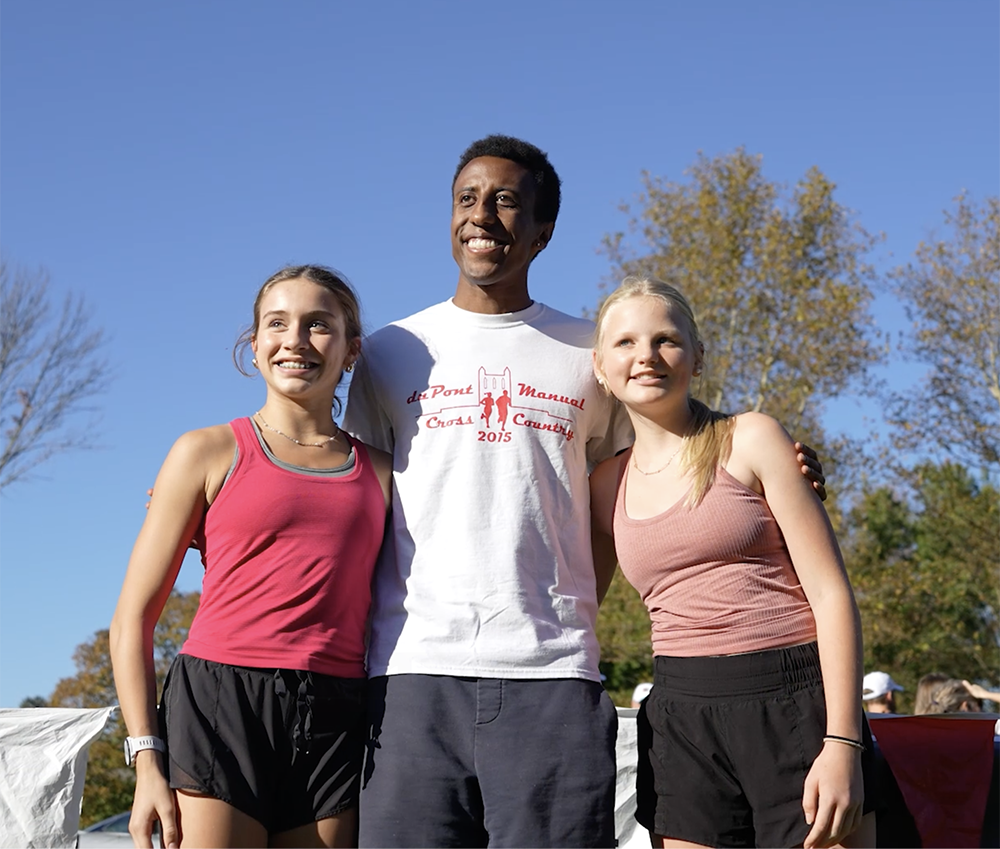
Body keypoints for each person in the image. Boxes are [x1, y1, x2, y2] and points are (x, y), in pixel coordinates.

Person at [344, 135, 826, 848]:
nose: (482, 216)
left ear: (543, 231)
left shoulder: (588, 355)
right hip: (410, 673)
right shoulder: (390, 351)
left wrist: (788, 469)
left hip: (553, 673)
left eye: (507, 201)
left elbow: (660, 472)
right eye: (467, 199)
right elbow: (350, 495)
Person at [110, 266, 392, 849]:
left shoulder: (386, 474)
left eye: (319, 325)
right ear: (254, 345)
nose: (296, 340)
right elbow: (132, 621)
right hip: (220, 702)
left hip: (338, 710)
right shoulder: (204, 452)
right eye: (277, 324)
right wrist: (146, 763)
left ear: (351, 350)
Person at [589, 276, 874, 849]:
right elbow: (576, 609)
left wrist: (843, 742)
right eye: (625, 343)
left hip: (796, 703)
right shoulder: (601, 485)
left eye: (665, 339)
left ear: (697, 356)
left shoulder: (754, 438)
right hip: (681, 720)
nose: (646, 355)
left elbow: (831, 595)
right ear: (600, 367)